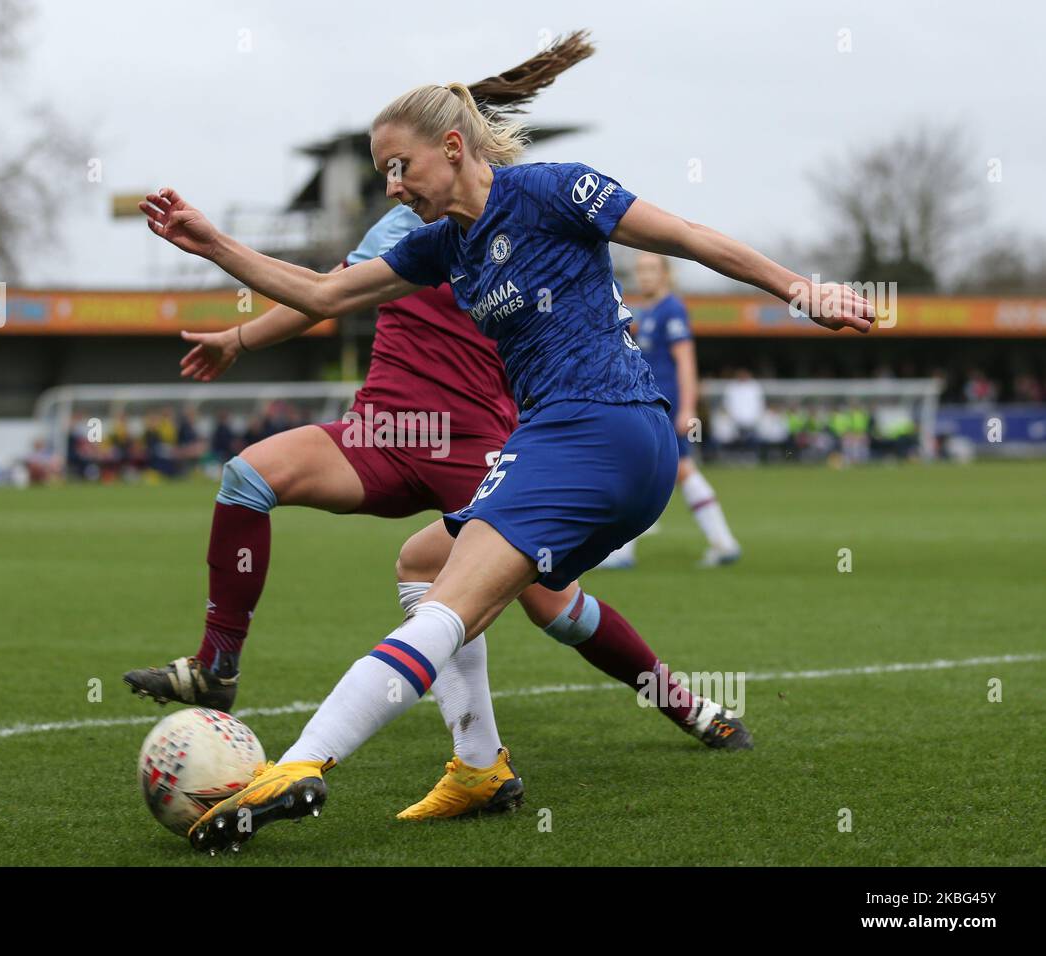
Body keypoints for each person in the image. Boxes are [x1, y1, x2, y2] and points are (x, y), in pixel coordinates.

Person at [140, 74, 872, 852]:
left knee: (451, 607)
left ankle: (297, 767)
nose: (392, 185)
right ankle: (480, 766)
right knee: (426, 566)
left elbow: (687, 235)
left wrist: (800, 287)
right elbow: (322, 296)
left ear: (453, 148)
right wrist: (213, 243)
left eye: (400, 167)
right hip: (580, 444)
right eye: (381, 171)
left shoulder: (554, 190)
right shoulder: (440, 245)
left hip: (600, 429)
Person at [599, 253, 740, 569]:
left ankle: (721, 542)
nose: (644, 276)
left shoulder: (671, 309)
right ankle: (721, 542)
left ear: (665, 274)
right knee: (656, 469)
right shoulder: (647, 312)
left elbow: (686, 361)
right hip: (652, 403)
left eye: (651, 269)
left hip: (668, 404)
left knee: (667, 469)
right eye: (640, 270)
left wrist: (688, 407)